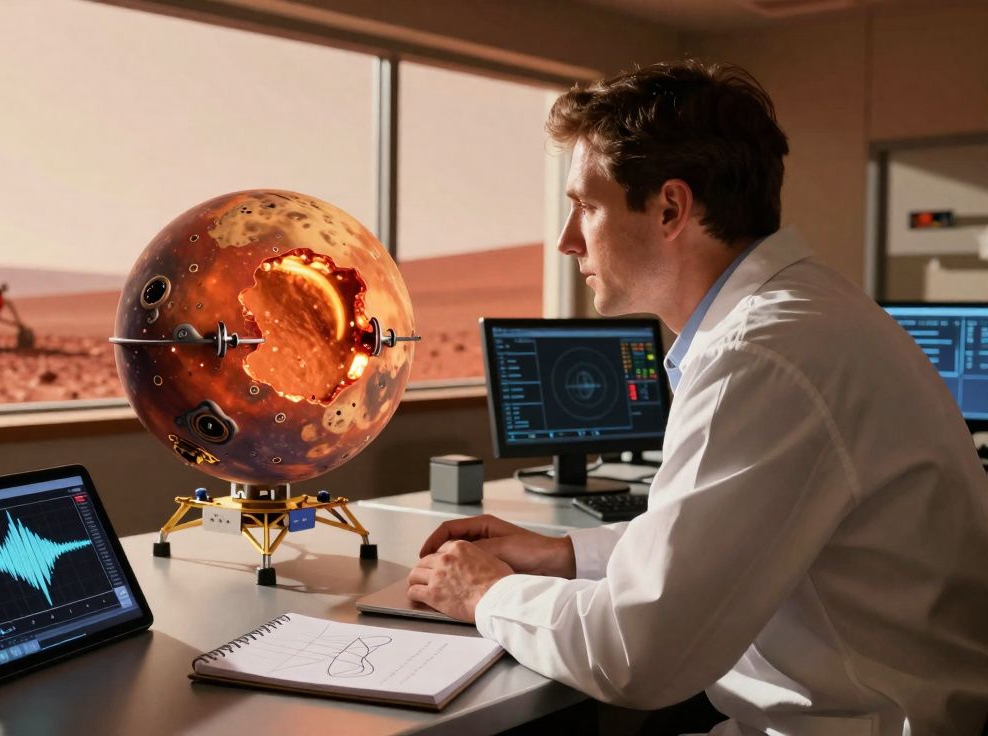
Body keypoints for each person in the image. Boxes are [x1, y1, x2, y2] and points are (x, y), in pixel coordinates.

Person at [406, 60, 988, 734]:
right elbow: (724, 541)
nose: (568, 242)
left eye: (586, 207)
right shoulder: (807, 314)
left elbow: (639, 655)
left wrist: (486, 592)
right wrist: (565, 557)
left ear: (671, 210)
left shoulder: (761, 356)